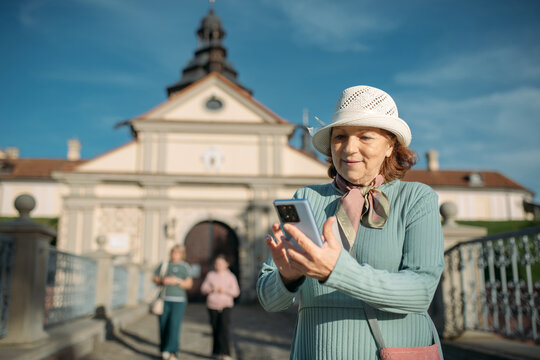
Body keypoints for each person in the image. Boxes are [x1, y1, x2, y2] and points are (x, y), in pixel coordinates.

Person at [257, 85, 445, 359]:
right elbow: (269, 301)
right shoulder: (306, 198)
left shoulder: (416, 198)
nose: (349, 148)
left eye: (365, 137)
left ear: (390, 145)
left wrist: (336, 270)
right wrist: (286, 277)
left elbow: (420, 292)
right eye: (340, 136)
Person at [153, 245, 193, 360]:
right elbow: (155, 278)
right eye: (173, 252)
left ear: (181, 254)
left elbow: (189, 284)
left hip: (178, 301)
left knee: (174, 326)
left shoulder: (185, 267)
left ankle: (172, 352)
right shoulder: (164, 265)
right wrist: (162, 280)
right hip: (163, 299)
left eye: (177, 253)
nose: (174, 255)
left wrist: (177, 281)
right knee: (163, 325)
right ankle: (164, 349)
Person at [201, 254, 240, 360]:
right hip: (212, 305)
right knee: (215, 328)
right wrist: (211, 289)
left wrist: (225, 290)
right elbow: (203, 289)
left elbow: (236, 292)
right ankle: (216, 351)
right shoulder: (210, 275)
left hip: (226, 305)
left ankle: (226, 353)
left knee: (224, 328)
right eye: (217, 263)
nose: (218, 265)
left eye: (221, 263)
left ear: (226, 264)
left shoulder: (231, 276)